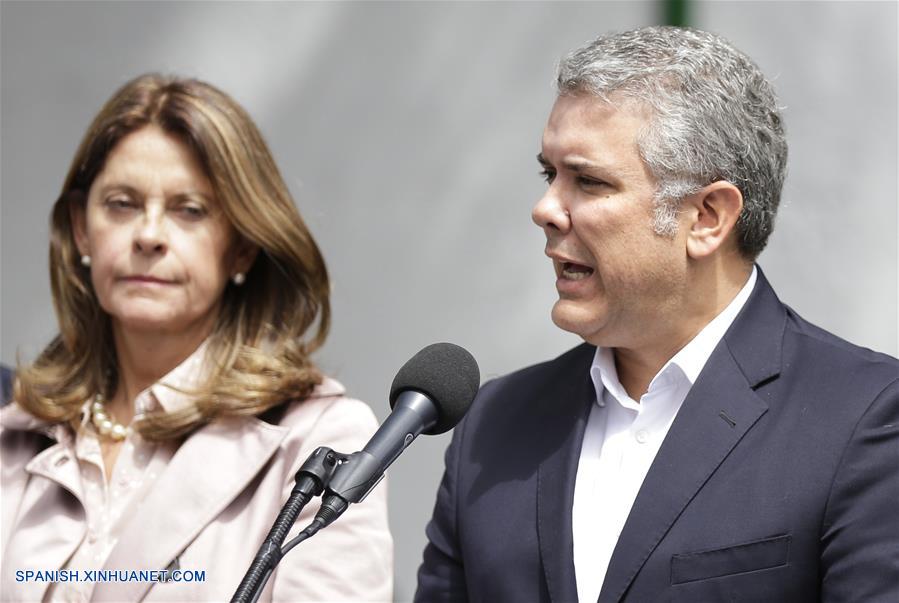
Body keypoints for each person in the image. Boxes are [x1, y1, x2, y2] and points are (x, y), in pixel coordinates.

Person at [415, 26, 899, 602]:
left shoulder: (863, 418)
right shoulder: (494, 424)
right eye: (550, 175)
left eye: (589, 181)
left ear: (708, 217)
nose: (545, 209)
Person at [0, 74, 392, 602]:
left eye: (189, 210)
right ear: (80, 228)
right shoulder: (15, 430)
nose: (148, 235)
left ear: (243, 247)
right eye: (121, 203)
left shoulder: (322, 439)